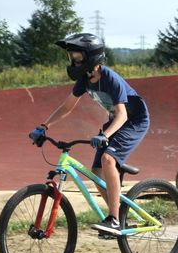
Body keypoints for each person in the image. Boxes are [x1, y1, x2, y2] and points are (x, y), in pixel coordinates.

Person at [29, 33, 150, 236]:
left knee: (108, 159)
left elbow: (122, 114)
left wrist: (105, 135)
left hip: (134, 121)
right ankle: (119, 215)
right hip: (115, 123)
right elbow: (67, 107)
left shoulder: (110, 78)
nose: (73, 62)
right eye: (71, 58)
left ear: (91, 57)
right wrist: (44, 126)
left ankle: (113, 220)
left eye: (76, 57)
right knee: (96, 172)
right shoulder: (85, 80)